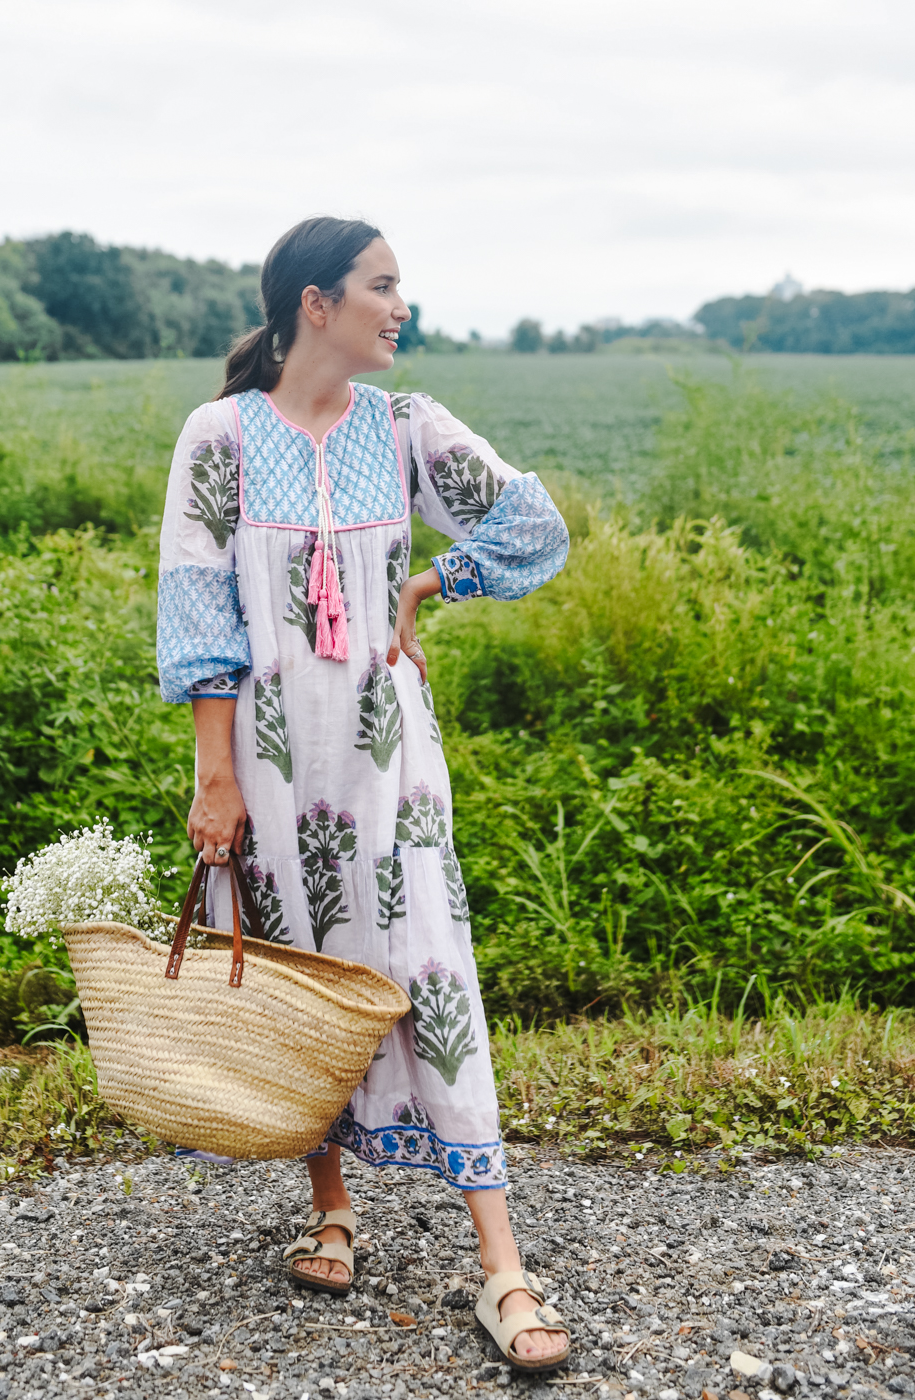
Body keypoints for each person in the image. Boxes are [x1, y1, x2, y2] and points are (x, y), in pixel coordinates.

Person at [157, 216, 571, 1373]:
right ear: (314, 304)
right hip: (273, 751)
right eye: (383, 286)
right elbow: (199, 614)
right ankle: (330, 1204)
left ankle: (502, 1264)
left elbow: (533, 526)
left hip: (392, 755)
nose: (403, 307)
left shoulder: (403, 428)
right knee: (297, 965)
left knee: (425, 967)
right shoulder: (219, 436)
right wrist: (215, 777)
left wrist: (426, 583)